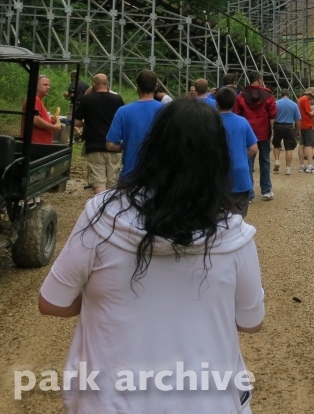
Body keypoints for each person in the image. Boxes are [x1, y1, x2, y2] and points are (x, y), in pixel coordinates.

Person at [39, 99, 265, 414]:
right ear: (219, 158)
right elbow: (251, 321)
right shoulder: (235, 236)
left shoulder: (102, 215)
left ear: (153, 146)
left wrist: (102, 297)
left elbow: (52, 302)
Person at [105, 70, 164, 179]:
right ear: (156, 86)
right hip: (158, 175)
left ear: (137, 86)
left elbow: (110, 145)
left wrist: (127, 142)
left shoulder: (123, 111)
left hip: (130, 177)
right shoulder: (166, 111)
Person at [73, 74, 125, 195]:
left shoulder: (87, 99)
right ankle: (112, 210)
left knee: (99, 183)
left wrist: (87, 120)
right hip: (114, 145)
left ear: (93, 84)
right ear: (107, 84)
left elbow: (76, 122)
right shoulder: (117, 99)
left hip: (94, 146)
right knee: (113, 183)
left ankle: (100, 209)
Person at [233, 72, 278, 201]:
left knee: (248, 162)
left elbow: (236, 113)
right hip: (263, 132)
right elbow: (273, 113)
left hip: (247, 133)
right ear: (259, 80)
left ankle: (249, 193)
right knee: (265, 161)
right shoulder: (268, 95)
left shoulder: (241, 96)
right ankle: (266, 190)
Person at [217, 87, 258, 217]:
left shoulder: (211, 122)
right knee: (238, 218)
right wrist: (241, 156)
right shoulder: (242, 122)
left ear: (216, 103)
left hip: (218, 174)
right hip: (240, 174)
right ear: (234, 103)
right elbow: (253, 148)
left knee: (218, 219)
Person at [25, 75, 62, 144]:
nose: (48, 87)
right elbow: (35, 120)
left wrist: (50, 121)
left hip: (41, 145)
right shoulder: (34, 99)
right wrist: (53, 127)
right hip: (35, 145)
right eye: (45, 85)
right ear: (36, 85)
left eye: (49, 85)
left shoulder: (39, 101)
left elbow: (39, 119)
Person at [271, 89, 301, 174]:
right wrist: (298, 130)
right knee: (289, 148)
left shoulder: (276, 103)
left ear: (281, 94)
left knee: (276, 145)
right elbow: (298, 120)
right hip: (289, 127)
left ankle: (277, 161)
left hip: (278, 126)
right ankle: (288, 168)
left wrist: (271, 127)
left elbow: (272, 116)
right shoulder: (294, 105)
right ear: (289, 94)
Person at [297, 90, 314, 173]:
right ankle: (309, 166)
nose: (312, 98)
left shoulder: (299, 100)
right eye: (312, 96)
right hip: (308, 124)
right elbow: (311, 113)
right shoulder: (305, 100)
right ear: (309, 94)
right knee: (310, 145)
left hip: (302, 124)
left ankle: (302, 165)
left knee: (302, 145)